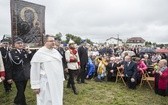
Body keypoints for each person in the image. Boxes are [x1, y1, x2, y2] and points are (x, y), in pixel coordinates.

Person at [30, 35, 64, 105]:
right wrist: (35, 86)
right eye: (51, 41)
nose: (53, 42)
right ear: (45, 42)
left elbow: (60, 67)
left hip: (57, 82)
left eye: (54, 41)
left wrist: (62, 77)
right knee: (46, 100)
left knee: (57, 99)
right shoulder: (39, 54)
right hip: (46, 82)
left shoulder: (56, 52)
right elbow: (34, 71)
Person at [6, 37, 32, 105]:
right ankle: (22, 103)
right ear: (14, 44)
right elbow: (8, 66)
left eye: (21, 43)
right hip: (17, 76)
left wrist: (29, 52)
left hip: (25, 75)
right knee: (20, 91)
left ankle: (16, 101)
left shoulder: (25, 52)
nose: (20, 44)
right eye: (18, 43)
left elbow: (31, 60)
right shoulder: (11, 53)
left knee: (22, 90)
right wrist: (9, 77)